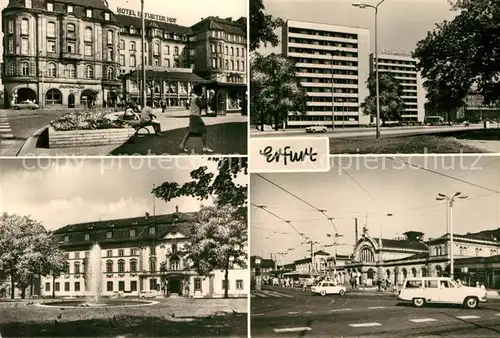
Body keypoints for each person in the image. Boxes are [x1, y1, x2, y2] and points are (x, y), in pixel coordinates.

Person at [179, 84, 213, 153]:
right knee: (203, 131)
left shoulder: (194, 97)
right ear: (199, 91)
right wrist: (208, 99)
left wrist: (203, 99)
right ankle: (205, 147)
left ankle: (182, 145)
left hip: (192, 116)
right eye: (201, 90)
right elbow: (202, 106)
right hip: (196, 117)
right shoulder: (196, 98)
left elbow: (200, 104)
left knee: (190, 131)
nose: (202, 92)